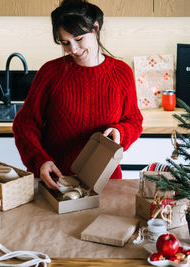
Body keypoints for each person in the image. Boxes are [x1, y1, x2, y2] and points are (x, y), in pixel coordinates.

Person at [13, 0, 143, 190]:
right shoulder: (51, 73)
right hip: (57, 182)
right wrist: (40, 161)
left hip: (106, 183)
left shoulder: (121, 73)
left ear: (95, 28)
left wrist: (119, 132)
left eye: (79, 39)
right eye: (65, 43)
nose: (73, 49)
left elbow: (134, 121)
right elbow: (24, 125)